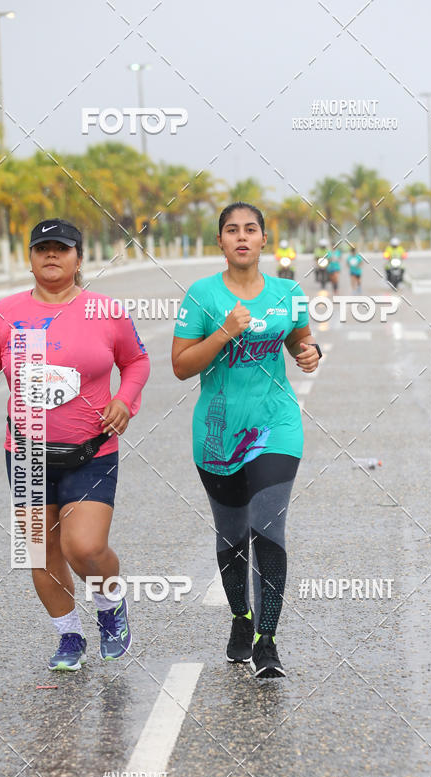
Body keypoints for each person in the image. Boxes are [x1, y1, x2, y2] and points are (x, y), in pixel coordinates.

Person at [0, 219, 150, 671]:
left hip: (91, 451)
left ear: (80, 258)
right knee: (39, 550)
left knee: (84, 548)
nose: (52, 255)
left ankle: (109, 605)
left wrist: (124, 401)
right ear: (30, 257)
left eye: (62, 248)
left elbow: (136, 361)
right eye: (43, 248)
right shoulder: (5, 313)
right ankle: (69, 637)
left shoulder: (106, 310)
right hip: (26, 452)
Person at [172, 202, 320, 678]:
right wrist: (223, 333)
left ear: (262, 240)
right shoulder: (201, 295)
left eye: (250, 229)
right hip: (217, 432)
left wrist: (308, 354)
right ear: (220, 242)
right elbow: (180, 366)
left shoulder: (287, 291)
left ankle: (267, 641)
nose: (241, 236)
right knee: (233, 536)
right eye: (231, 230)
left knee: (267, 529)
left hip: (275, 425)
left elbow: (301, 338)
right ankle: (241, 617)